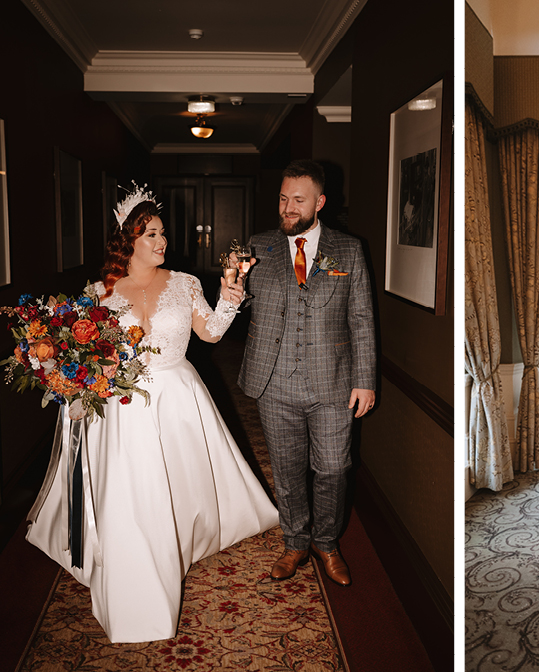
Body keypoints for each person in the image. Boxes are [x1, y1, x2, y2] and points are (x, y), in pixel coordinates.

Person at [26, 185, 279, 643]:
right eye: (151, 235)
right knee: (131, 497)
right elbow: (82, 351)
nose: (162, 242)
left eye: (163, 233)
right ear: (129, 240)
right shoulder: (100, 293)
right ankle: (135, 585)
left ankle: (175, 544)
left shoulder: (185, 284)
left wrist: (231, 295)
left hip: (177, 398)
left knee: (175, 486)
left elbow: (213, 335)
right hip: (122, 409)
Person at [237, 159, 376, 586]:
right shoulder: (258, 248)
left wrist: (365, 378)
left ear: (320, 202)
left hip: (332, 381)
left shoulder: (348, 250)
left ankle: (327, 542)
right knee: (287, 467)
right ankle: (295, 542)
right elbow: (236, 306)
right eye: (283, 198)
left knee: (334, 467)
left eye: (298, 200)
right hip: (273, 381)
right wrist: (231, 292)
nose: (288, 208)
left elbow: (361, 319)